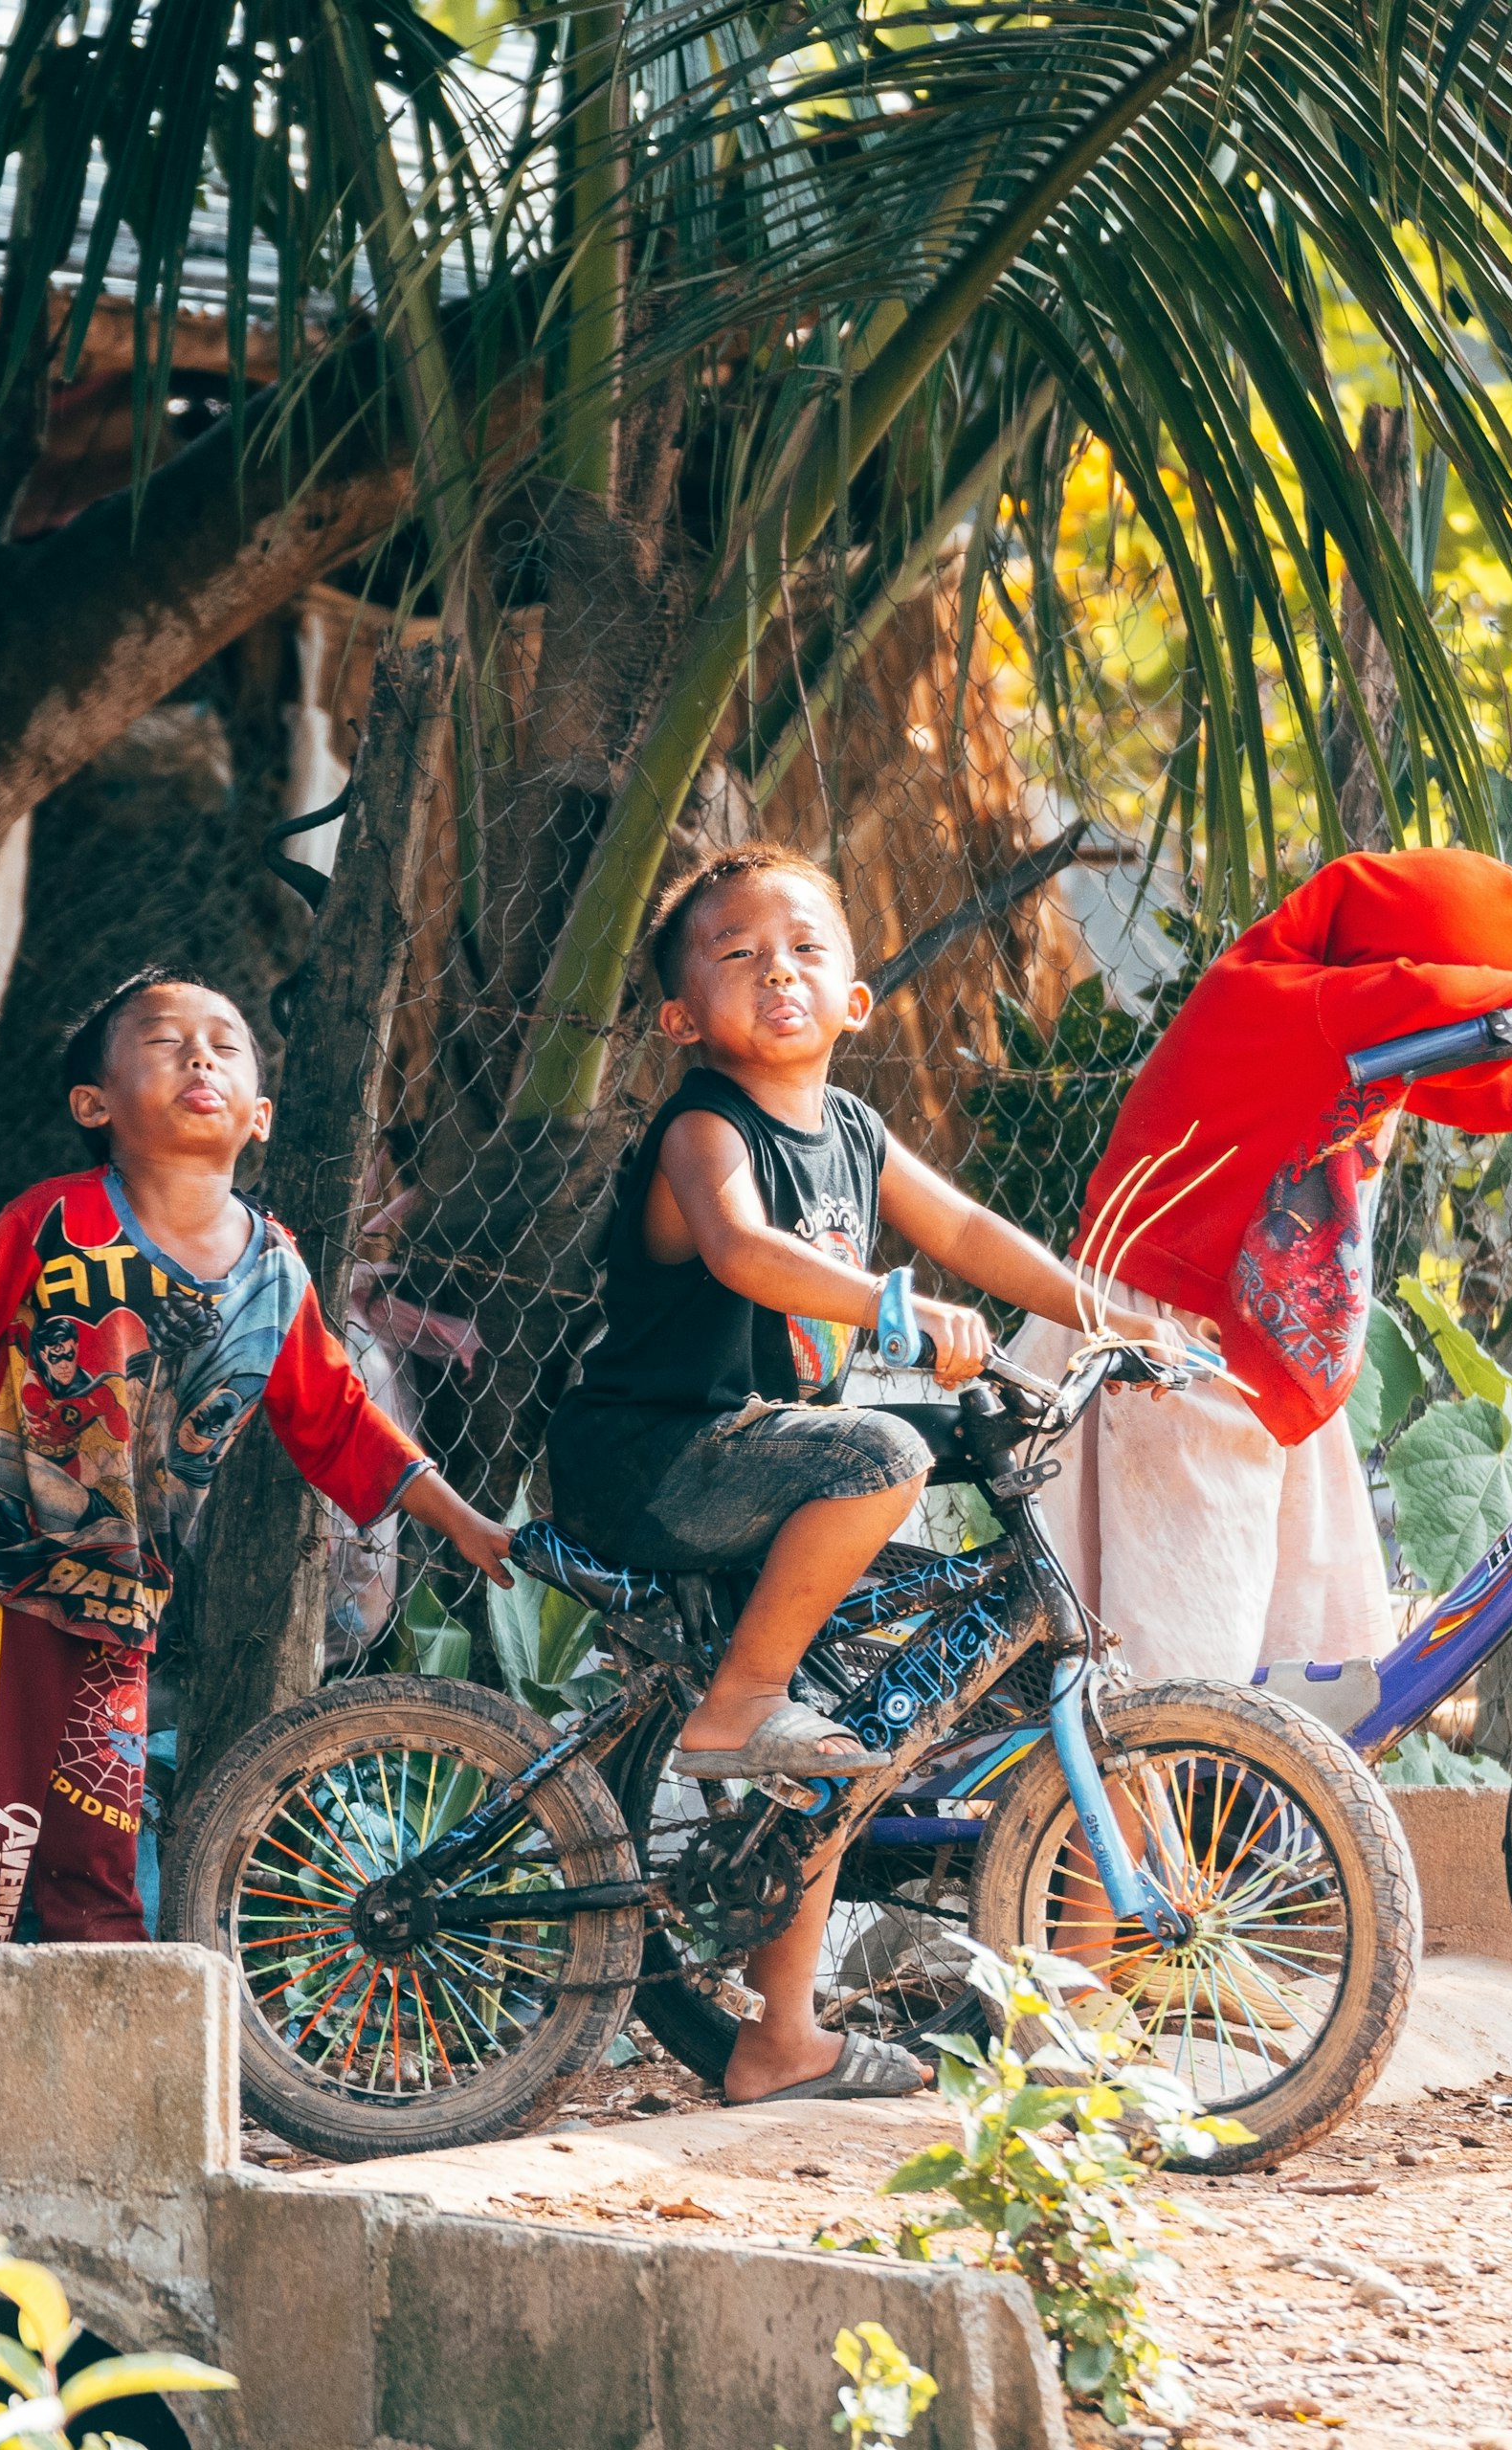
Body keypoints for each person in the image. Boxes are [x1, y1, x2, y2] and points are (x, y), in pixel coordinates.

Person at [545, 844, 1174, 2105]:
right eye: (737, 956)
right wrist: (895, 1305)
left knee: (847, 1737)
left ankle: (780, 2040)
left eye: (804, 952)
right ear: (682, 1018)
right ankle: (736, 1707)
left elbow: (975, 1235)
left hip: (761, 1477)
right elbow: (742, 1250)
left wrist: (1123, 1316)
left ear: (853, 1000)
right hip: (657, 1463)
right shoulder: (702, 1128)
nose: (776, 971)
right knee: (883, 1444)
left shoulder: (854, 1131)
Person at [0, 967, 517, 1943]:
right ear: (94, 1103)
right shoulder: (53, 1220)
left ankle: (101, 2056)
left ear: (259, 1114)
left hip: (123, 1601)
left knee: (96, 1836)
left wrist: (467, 1523)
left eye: (224, 1042)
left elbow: (342, 1417)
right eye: (163, 1038)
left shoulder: (275, 1267)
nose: (198, 1055)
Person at [1007, 847, 1512, 1685]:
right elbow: (1441, 1006)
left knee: (1317, 1642)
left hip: (1254, 1341)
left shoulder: (1354, 1028)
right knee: (1180, 1652)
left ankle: (1264, 1805)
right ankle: (1137, 1813)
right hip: (1171, 1333)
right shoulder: (1292, 998)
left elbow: (1455, 1077)